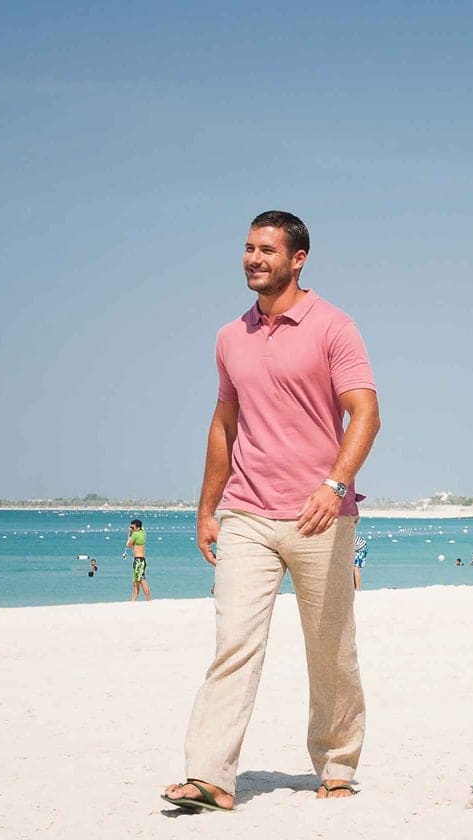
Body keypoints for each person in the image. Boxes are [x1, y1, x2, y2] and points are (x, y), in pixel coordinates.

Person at [163, 211, 380, 813]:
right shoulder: (229, 336)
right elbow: (224, 423)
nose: (253, 259)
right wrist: (207, 508)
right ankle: (210, 776)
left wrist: (334, 486)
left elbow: (365, 413)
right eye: (247, 248)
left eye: (266, 250)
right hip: (248, 514)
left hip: (321, 515)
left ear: (298, 258)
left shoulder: (335, 326)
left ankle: (337, 764)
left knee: (329, 647)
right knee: (233, 642)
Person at [128, 518, 151, 601]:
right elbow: (142, 527)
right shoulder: (143, 532)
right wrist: (133, 528)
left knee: (141, 580)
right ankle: (134, 600)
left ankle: (148, 600)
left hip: (138, 560)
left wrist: (130, 533)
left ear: (137, 528)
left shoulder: (135, 534)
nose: (131, 529)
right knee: (135, 581)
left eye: (133, 528)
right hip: (141, 560)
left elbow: (128, 545)